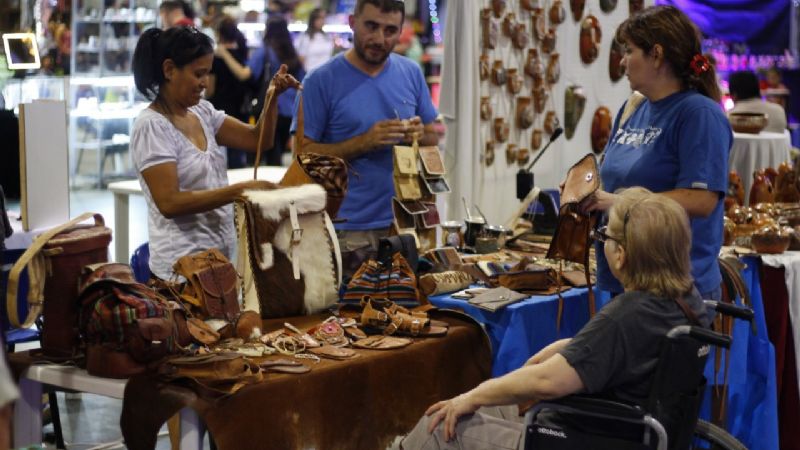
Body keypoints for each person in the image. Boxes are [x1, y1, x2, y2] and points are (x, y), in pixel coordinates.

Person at [400, 188, 712, 449]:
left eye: (605, 236)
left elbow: (546, 381)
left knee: (437, 425)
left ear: (622, 254)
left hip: (586, 436)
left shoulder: (628, 314)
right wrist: (572, 347)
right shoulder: (685, 301)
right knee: (492, 403)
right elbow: (621, 351)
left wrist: (468, 397)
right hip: (631, 430)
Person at [583, 5, 732, 301]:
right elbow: (614, 177)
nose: (623, 61)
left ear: (657, 55)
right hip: (628, 280)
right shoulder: (632, 108)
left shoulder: (699, 115)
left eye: (629, 51)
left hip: (675, 289)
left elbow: (702, 200)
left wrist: (616, 201)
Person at [130, 26, 300, 280]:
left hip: (217, 263)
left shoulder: (202, 112)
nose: (205, 83)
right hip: (180, 273)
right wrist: (238, 192)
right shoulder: (152, 126)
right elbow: (169, 202)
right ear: (169, 70)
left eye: (208, 73)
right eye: (198, 74)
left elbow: (258, 140)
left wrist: (272, 97)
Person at [292, 0, 438, 276]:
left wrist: (421, 133)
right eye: (371, 26)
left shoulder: (411, 73)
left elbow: (432, 135)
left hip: (403, 225)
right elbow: (301, 154)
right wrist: (365, 142)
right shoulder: (320, 81)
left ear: (400, 31)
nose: (380, 39)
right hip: (344, 230)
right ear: (352, 23)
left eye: (390, 30)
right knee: (344, 317)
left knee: (404, 314)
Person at [217, 16, 306, 166]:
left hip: (272, 108)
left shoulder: (265, 51)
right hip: (291, 112)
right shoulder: (293, 54)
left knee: (267, 153)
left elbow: (244, 74)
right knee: (280, 157)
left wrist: (224, 54)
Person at [207, 16, 252, 168]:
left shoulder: (216, 58)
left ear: (219, 34)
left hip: (220, 107)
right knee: (237, 151)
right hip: (240, 108)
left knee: (216, 149)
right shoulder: (243, 54)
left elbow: (210, 88)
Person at [295, 8, 334, 73]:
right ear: (313, 19)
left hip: (326, 74)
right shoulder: (305, 37)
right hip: (311, 74)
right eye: (319, 18)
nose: (322, 21)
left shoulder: (326, 36)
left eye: (324, 18)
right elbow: (301, 58)